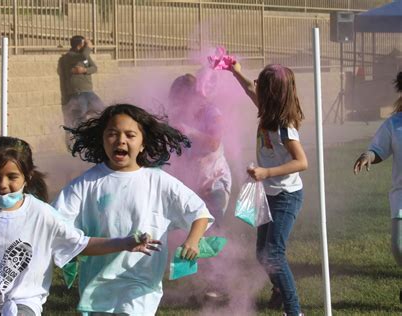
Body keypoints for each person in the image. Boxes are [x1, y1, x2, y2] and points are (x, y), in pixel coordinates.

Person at [0, 136, 160, 316]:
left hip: (26, 306)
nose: (2, 184)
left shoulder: (41, 214)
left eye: (12, 177)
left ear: (27, 177)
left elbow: (80, 243)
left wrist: (125, 243)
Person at [52, 103, 214, 315]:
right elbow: (53, 222)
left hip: (141, 280)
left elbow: (199, 213)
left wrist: (192, 241)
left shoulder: (158, 181)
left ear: (143, 144)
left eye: (130, 135)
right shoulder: (86, 184)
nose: (121, 140)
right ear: (103, 139)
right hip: (98, 282)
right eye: (112, 134)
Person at [229, 62, 308, 316]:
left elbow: (302, 162)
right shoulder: (266, 112)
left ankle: (294, 310)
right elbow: (248, 88)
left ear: (272, 94)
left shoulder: (285, 127)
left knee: (273, 253)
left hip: (286, 197)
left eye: (262, 84)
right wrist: (235, 70)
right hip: (269, 194)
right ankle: (279, 288)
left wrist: (267, 173)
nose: (257, 85)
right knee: (262, 254)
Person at [353, 71, 402, 301]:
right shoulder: (394, 124)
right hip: (400, 196)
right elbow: (379, 150)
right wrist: (368, 155)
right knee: (399, 247)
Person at [167, 72, 232, 225]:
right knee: (190, 230)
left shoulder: (212, 113)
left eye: (183, 99)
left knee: (212, 229)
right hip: (193, 184)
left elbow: (214, 143)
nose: (179, 104)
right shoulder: (179, 116)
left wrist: (189, 131)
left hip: (214, 182)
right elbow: (180, 156)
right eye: (177, 100)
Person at [58, 35, 105, 128]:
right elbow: (83, 55)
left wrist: (84, 70)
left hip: (89, 91)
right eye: (84, 43)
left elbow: (94, 68)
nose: (85, 46)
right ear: (79, 45)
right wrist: (89, 46)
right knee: (80, 119)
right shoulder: (70, 56)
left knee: (102, 111)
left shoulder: (84, 57)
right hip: (78, 93)